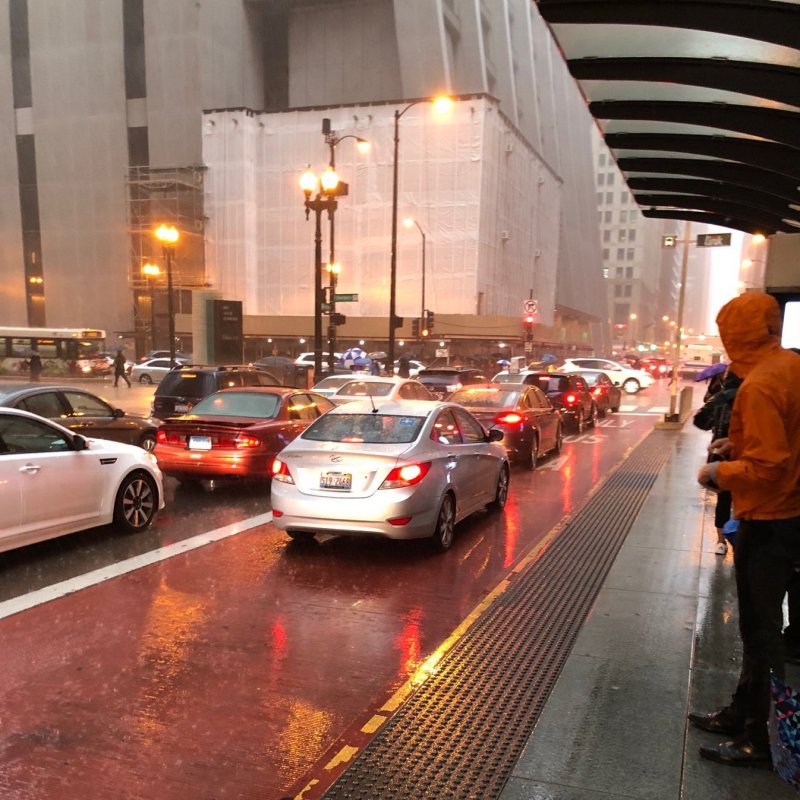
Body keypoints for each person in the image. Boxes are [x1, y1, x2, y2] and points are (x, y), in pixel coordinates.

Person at [690, 291, 800, 768]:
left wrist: (718, 473)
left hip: (769, 520)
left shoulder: (757, 386)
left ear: (733, 337)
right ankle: (742, 713)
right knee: (761, 631)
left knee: (760, 633)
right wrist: (739, 442)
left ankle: (759, 736)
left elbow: (769, 466)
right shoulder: (790, 368)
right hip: (787, 514)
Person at [692, 368, 742, 555]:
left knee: (724, 497)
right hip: (748, 455)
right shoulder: (758, 396)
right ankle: (739, 540)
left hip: (721, 453)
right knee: (742, 499)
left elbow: (700, 421)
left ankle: (721, 541)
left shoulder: (721, 397)